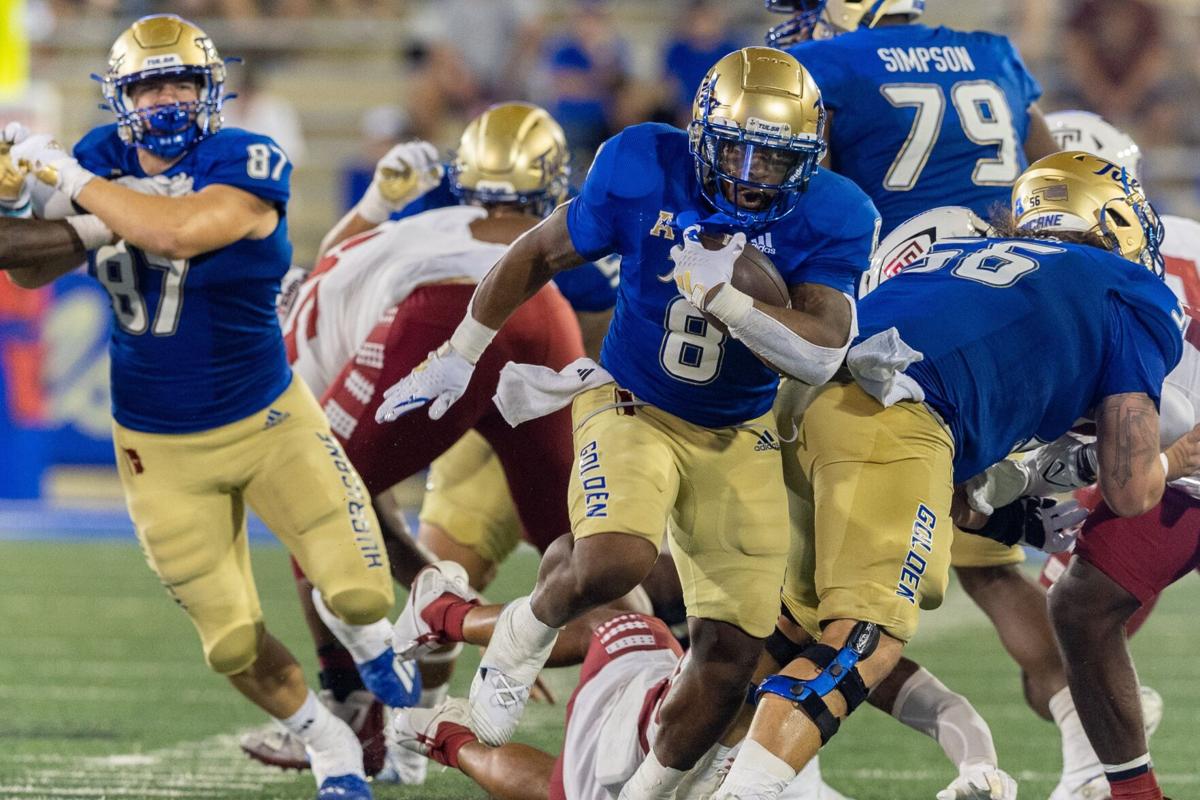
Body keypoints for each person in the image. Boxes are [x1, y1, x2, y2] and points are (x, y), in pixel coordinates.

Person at [377, 46, 879, 799]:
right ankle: (520, 633)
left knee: (730, 657)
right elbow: (539, 252)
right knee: (614, 560)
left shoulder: (837, 212)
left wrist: (735, 303)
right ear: (701, 135)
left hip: (740, 432)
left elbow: (821, 351)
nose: (748, 175)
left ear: (807, 160)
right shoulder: (643, 165)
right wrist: (461, 350)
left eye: (772, 160)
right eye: (735, 149)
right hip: (633, 401)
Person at [1, 15, 421, 800]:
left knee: (361, 591)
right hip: (156, 445)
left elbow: (184, 231)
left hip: (269, 417)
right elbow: (27, 268)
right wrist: (29, 199)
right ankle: (327, 741)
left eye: (182, 81)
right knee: (229, 643)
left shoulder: (246, 157)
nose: (167, 97)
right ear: (120, 98)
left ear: (211, 88)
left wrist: (73, 184)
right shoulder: (99, 161)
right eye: (149, 84)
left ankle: (368, 642)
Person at [714, 151, 1199, 799]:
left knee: (792, 629)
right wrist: (1178, 458)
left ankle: (686, 776)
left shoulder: (966, 253)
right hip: (896, 415)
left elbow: (969, 487)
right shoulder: (1130, 290)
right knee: (864, 639)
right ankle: (741, 792)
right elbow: (1130, 488)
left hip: (801, 400)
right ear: (1118, 221)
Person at [762, 5, 1096, 793]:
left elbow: (795, 198)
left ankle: (766, 762)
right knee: (988, 566)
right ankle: (1087, 751)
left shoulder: (838, 63)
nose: (800, 28)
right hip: (996, 311)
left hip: (889, 326)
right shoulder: (993, 54)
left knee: (786, 567)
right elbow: (1055, 177)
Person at [240, 102, 617, 784]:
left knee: (311, 501)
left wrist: (423, 581)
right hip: (541, 314)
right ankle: (658, 674)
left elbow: (336, 494)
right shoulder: (378, 248)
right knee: (594, 566)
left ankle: (356, 704)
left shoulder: (290, 341)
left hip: (445, 316)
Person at [970, 111, 1200, 800]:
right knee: (1079, 608)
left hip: (1167, 443)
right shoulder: (1019, 289)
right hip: (1159, 453)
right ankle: (1127, 790)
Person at [765, 0, 1058, 238]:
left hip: (896, 275)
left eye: (805, 9)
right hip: (1010, 265)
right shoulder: (996, 54)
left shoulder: (822, 61)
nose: (799, 22)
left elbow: (808, 204)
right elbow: (1056, 171)